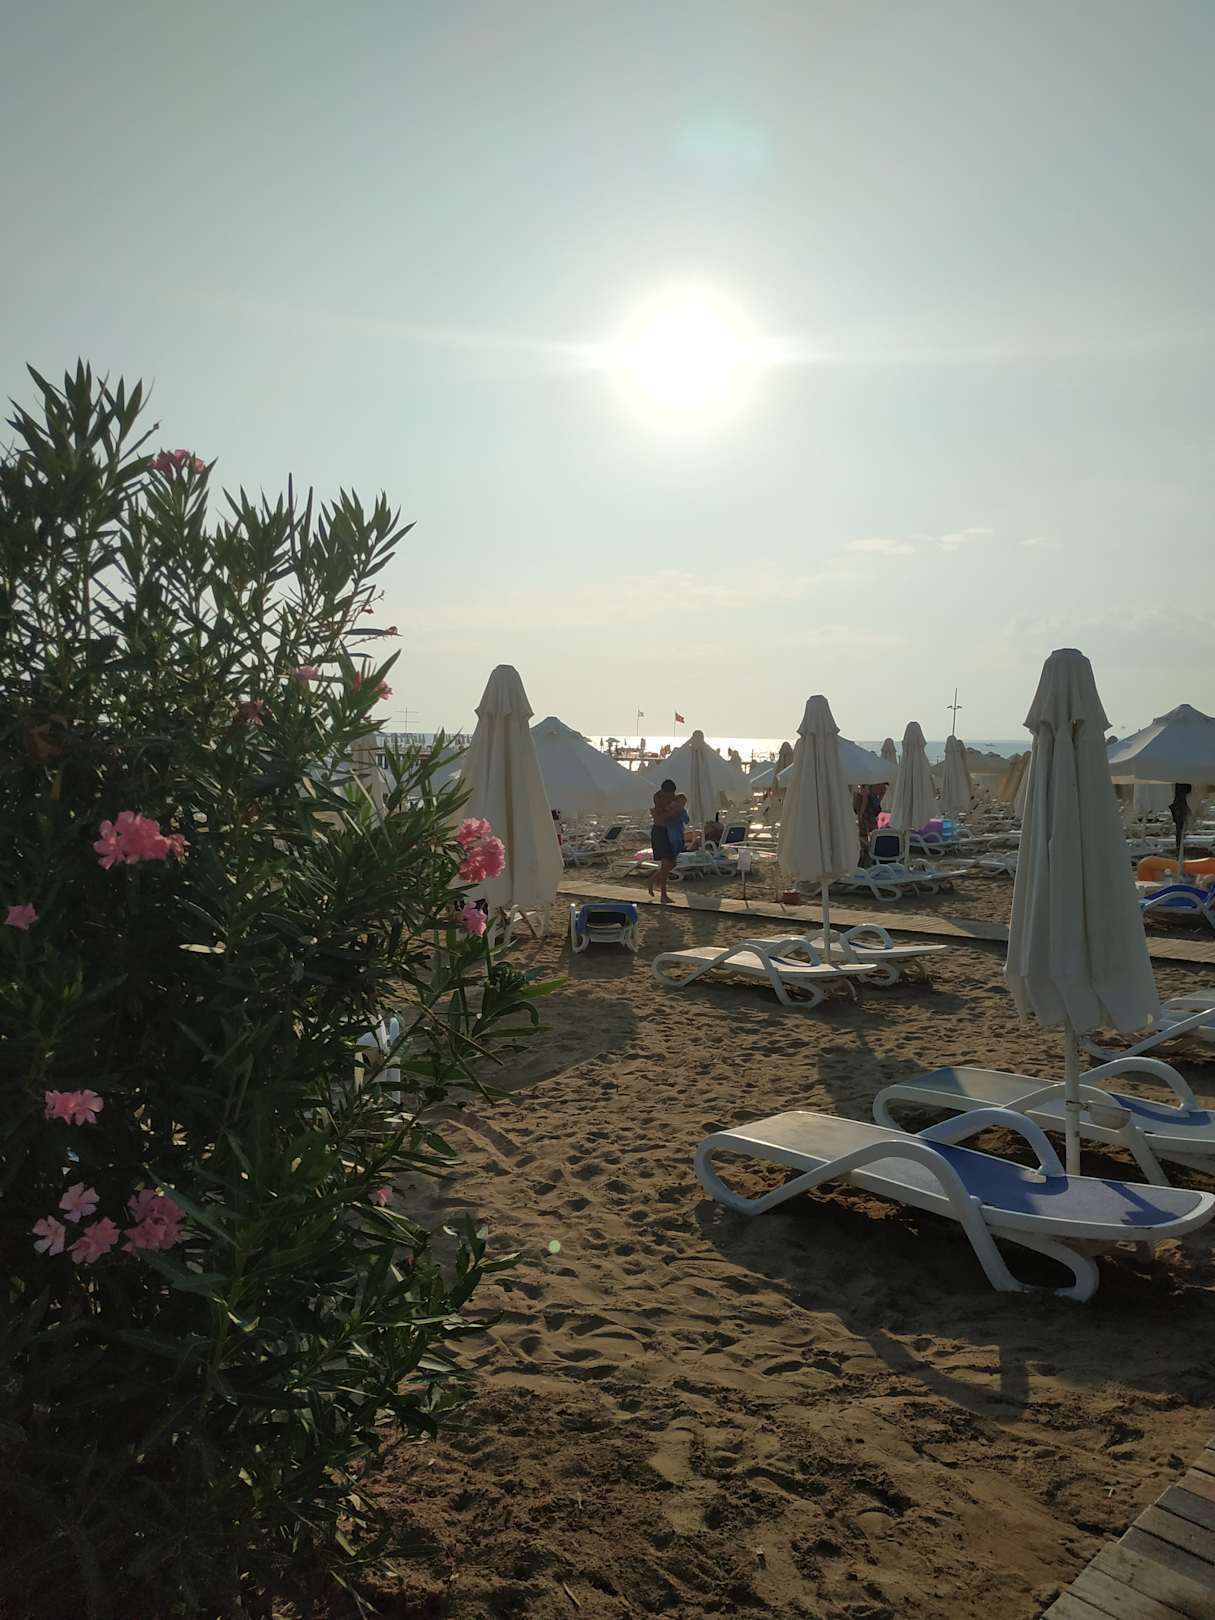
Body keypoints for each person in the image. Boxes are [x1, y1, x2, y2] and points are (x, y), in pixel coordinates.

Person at [648, 778, 688, 902]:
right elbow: (660, 818)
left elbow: (680, 802)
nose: (670, 797)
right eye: (668, 795)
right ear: (663, 792)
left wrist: (674, 810)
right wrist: (672, 812)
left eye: (672, 794)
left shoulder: (676, 798)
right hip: (660, 832)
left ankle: (652, 879)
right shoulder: (658, 798)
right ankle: (663, 895)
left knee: (673, 863)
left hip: (670, 832)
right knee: (666, 863)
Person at [854, 782, 884, 866]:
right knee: (867, 847)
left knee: (868, 846)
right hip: (866, 824)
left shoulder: (869, 795)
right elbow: (860, 813)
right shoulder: (861, 795)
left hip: (868, 824)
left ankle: (866, 865)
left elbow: (875, 811)